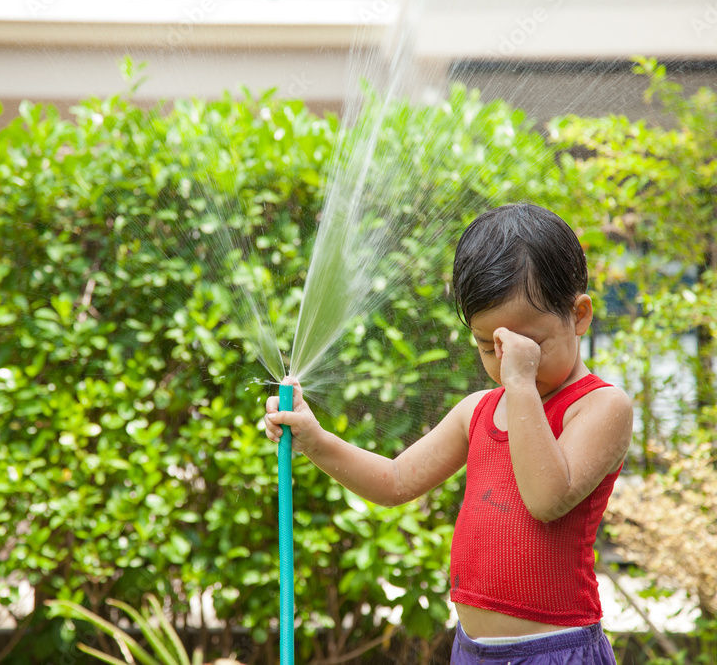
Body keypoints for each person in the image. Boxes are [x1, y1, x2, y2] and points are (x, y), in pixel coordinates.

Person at [264, 203, 633, 664]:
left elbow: (546, 497)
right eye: (489, 347)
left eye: (529, 347)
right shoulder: (476, 412)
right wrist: (316, 441)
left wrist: (520, 384)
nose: (507, 363)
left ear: (579, 315)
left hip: (554, 651)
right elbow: (395, 482)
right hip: (471, 651)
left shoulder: (601, 407)